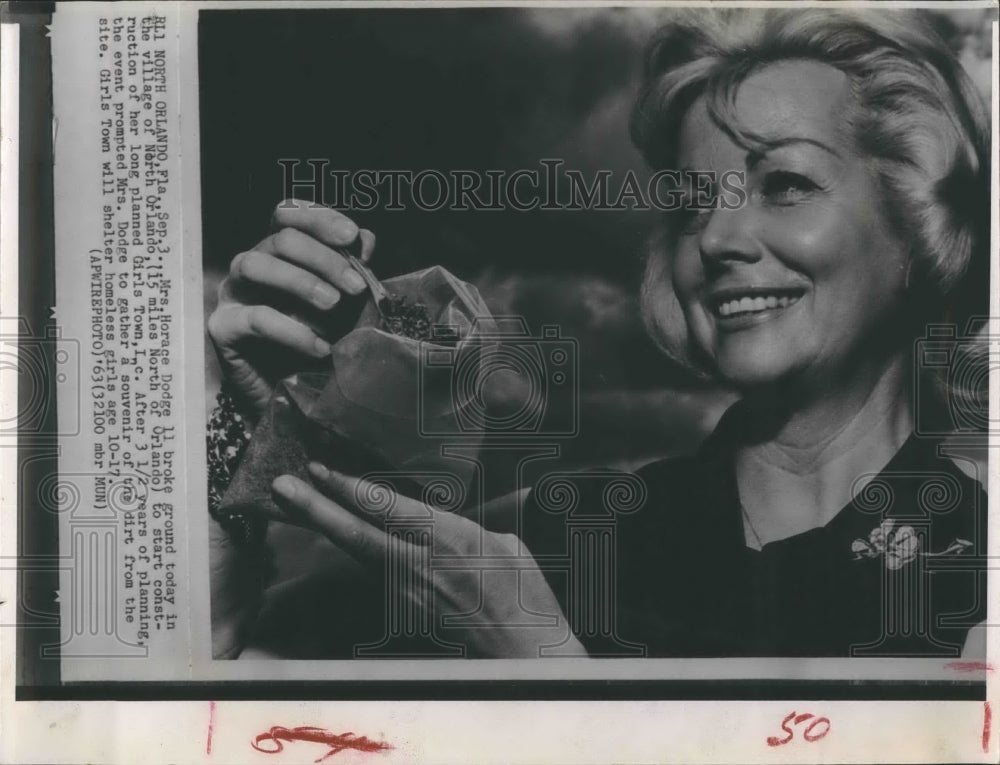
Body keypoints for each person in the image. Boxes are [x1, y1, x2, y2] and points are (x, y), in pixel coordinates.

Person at [207, 8, 990, 658]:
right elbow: (207, 687)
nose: (715, 240)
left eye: (784, 184)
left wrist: (542, 665)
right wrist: (249, 433)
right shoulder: (544, 534)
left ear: (924, 224)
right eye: (690, 203)